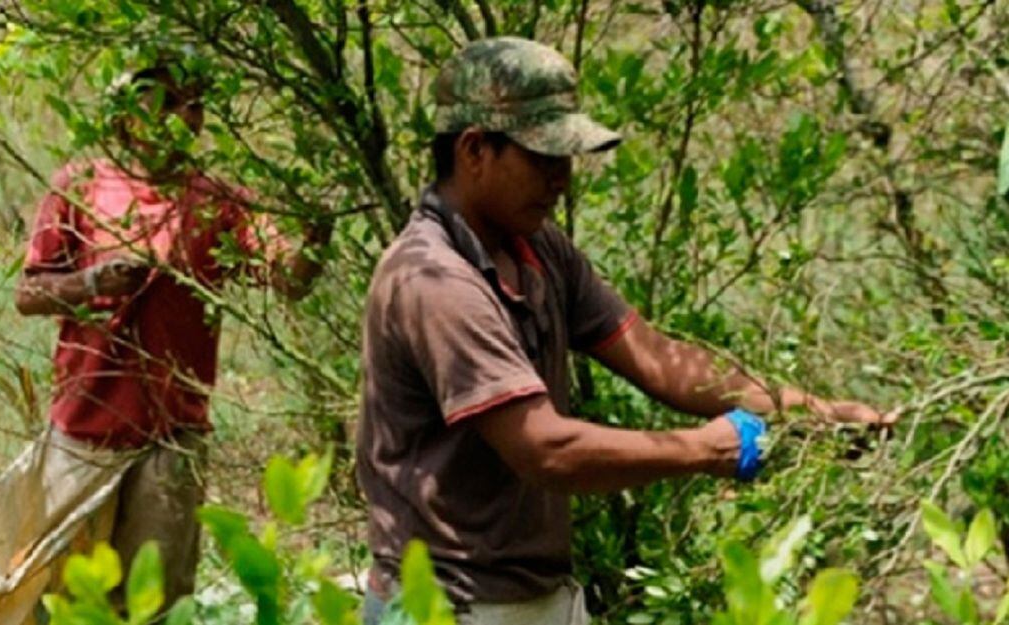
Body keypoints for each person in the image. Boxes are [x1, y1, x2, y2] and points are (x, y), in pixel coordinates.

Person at [356, 36, 892, 625]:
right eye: (543, 157)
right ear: (475, 150)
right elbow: (545, 450)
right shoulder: (433, 280)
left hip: (538, 598)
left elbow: (658, 359)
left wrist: (807, 411)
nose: (561, 178)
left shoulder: (536, 249)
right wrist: (703, 450)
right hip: (448, 607)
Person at [0, 60, 330, 624]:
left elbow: (289, 278)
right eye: (168, 103)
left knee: (151, 608)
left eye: (194, 104)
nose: (185, 117)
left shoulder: (217, 199)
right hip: (82, 433)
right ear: (129, 117)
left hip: (169, 442)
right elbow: (29, 294)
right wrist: (91, 283)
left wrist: (319, 230)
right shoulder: (80, 186)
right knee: (44, 593)